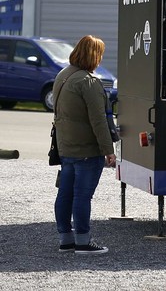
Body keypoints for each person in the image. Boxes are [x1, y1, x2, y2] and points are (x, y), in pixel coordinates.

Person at [53, 35, 117, 255]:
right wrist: (109, 150)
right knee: (82, 196)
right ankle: (83, 241)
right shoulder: (88, 81)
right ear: (94, 55)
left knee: (65, 194)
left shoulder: (63, 75)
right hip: (87, 149)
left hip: (66, 146)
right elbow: (98, 120)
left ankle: (66, 239)